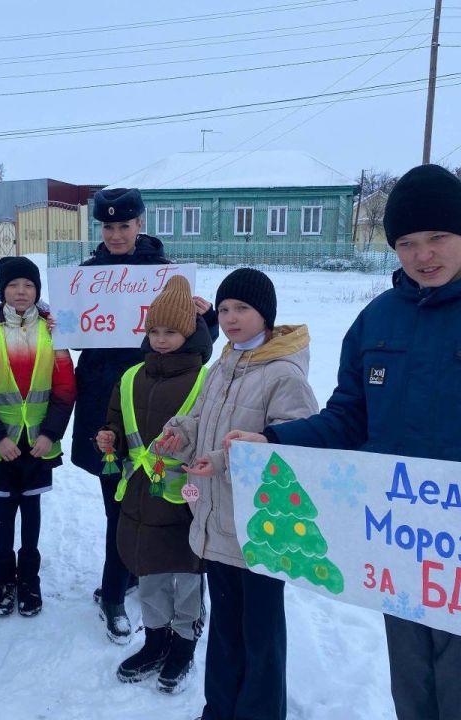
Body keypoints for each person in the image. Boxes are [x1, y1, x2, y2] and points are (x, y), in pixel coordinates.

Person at [224, 164, 461, 720]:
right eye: (406, 242)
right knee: (413, 697)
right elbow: (347, 420)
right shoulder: (379, 319)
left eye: (438, 238)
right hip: (398, 546)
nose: (422, 255)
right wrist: (271, 441)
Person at [158, 268, 320, 720]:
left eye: (242, 309)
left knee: (261, 637)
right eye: (224, 308)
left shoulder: (284, 374)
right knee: (226, 631)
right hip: (217, 524)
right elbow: (203, 421)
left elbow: (295, 447)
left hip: (261, 532)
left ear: (265, 314)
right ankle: (219, 710)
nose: (230, 318)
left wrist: (227, 460)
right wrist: (180, 434)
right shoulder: (222, 364)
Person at [70, 187, 218, 642]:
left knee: (173, 505)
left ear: (140, 224)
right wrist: (62, 324)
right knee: (118, 504)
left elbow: (195, 343)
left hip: (161, 409)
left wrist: (207, 318)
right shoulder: (85, 276)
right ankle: (113, 591)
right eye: (107, 226)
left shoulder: (165, 276)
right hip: (108, 409)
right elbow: (78, 338)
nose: (115, 234)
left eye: (124, 225)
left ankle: (161, 583)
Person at [94, 276, 211, 688]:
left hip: (184, 501)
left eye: (172, 332)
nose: (161, 340)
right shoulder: (129, 377)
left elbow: (209, 437)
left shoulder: (206, 380)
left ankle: (184, 645)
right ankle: (156, 639)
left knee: (186, 577)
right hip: (139, 495)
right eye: (155, 331)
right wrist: (108, 440)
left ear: (190, 331)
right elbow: (115, 425)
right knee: (149, 574)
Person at [0, 256, 76, 618]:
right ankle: (2, 578)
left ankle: (29, 579)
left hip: (38, 442)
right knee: (5, 509)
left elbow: (66, 389)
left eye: (29, 285)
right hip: (0, 443)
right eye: (14, 285)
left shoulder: (54, 330)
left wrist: (51, 434)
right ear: (3, 289)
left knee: (31, 509)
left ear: (37, 290)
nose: (21, 292)